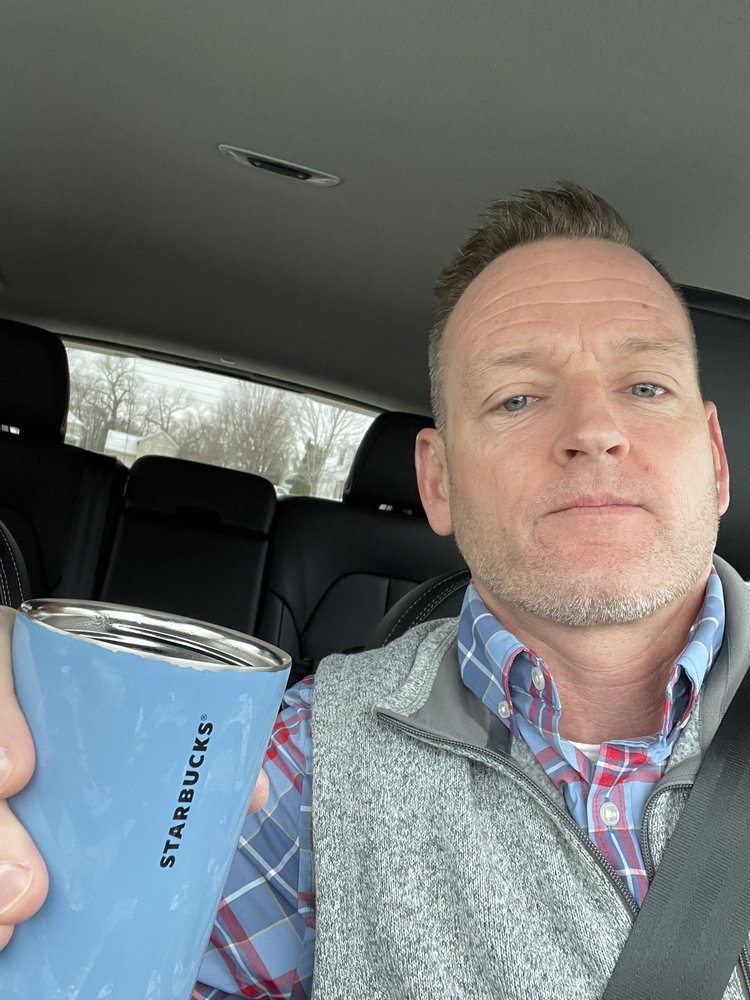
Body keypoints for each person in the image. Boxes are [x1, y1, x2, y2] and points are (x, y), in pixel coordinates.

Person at [0, 180, 746, 999]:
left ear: (715, 458)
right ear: (439, 481)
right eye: (518, 398)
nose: (595, 431)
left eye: (646, 387)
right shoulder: (298, 767)